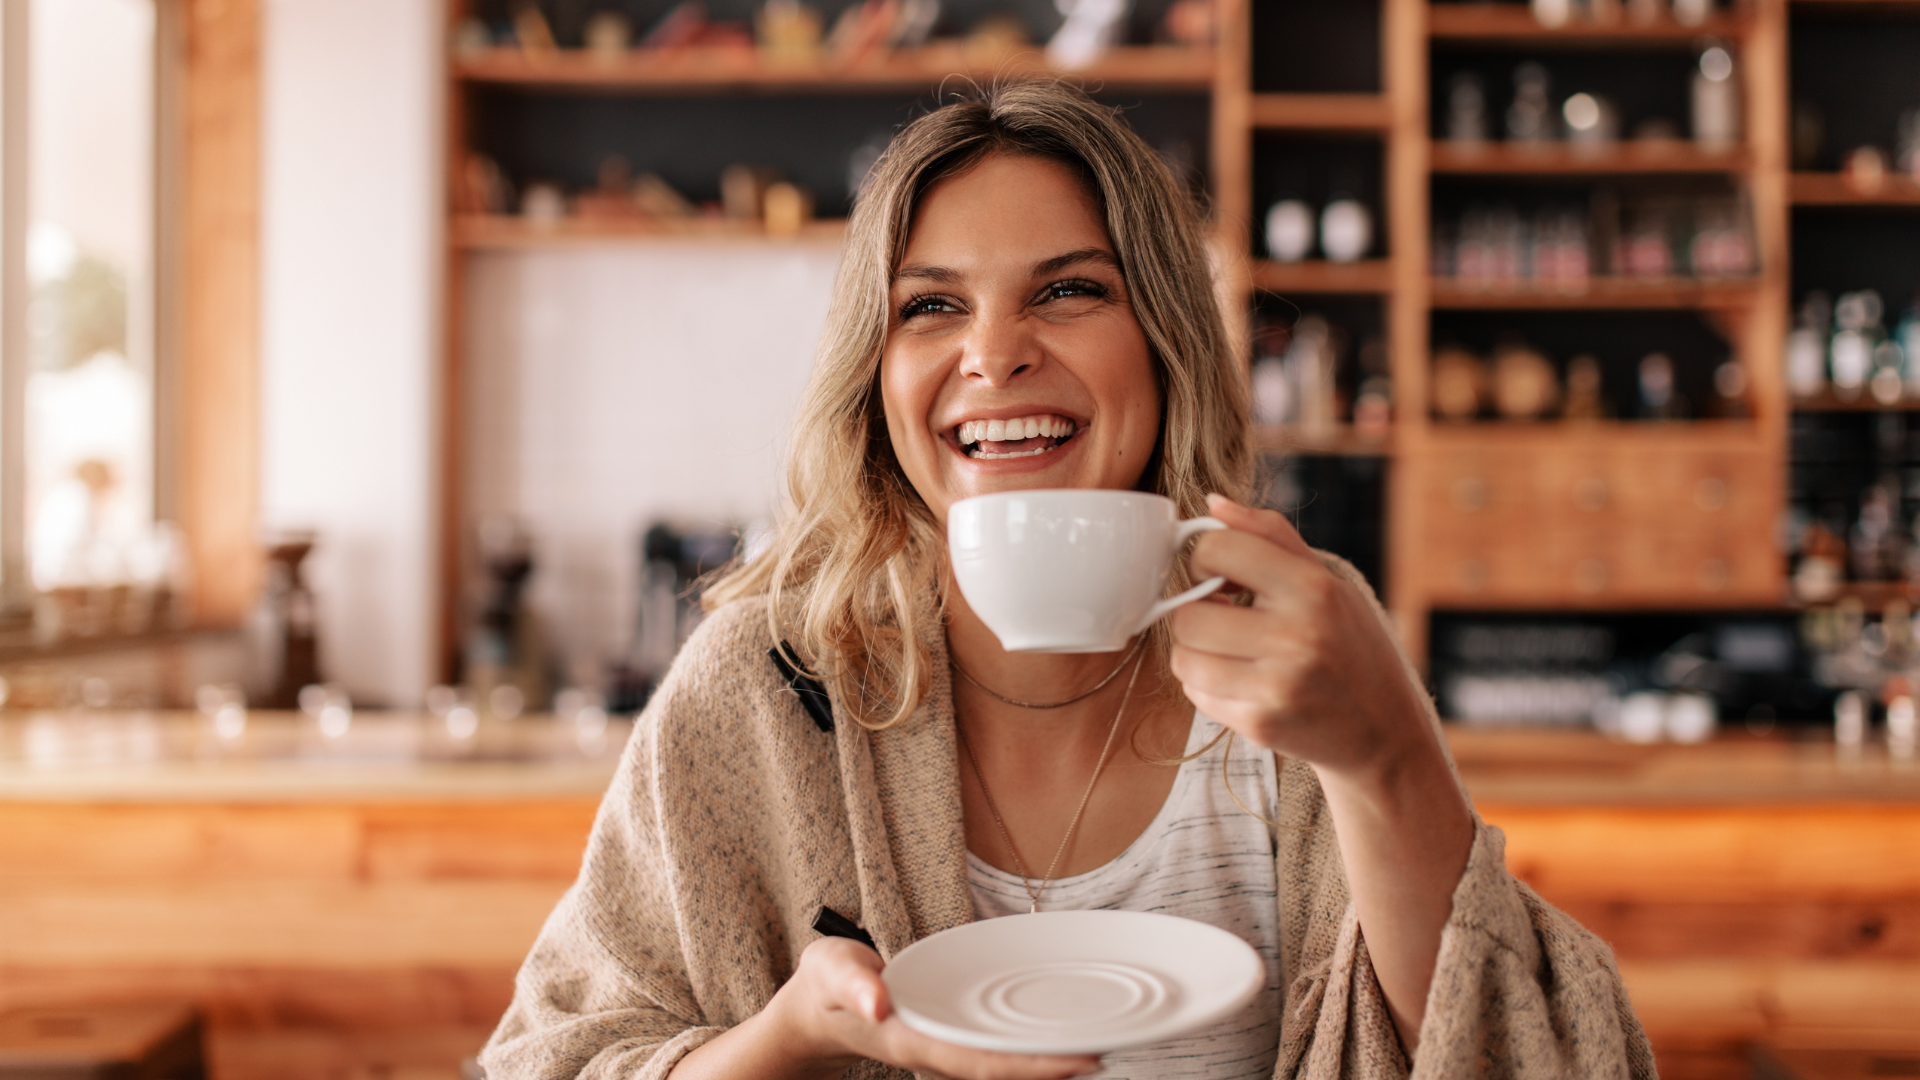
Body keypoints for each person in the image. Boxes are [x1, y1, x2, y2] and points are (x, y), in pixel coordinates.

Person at [481, 80, 1653, 1080]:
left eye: (1069, 289)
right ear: (876, 381)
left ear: (1166, 340)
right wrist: (783, 1040)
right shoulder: (771, 686)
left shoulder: (1295, 661)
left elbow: (1540, 1053)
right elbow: (548, 1057)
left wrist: (1389, 756)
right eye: (931, 306)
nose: (993, 353)